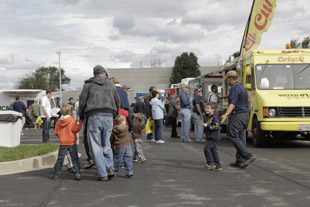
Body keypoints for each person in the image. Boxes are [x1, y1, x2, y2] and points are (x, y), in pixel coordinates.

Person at [79, 65, 121, 181]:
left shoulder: (88, 85)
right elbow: (118, 101)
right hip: (109, 116)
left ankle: (102, 173)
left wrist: (81, 115)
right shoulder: (111, 84)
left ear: (94, 74)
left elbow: (82, 101)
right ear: (105, 73)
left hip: (94, 116)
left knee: (95, 145)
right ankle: (110, 167)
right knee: (106, 143)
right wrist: (116, 114)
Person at [221, 70, 255, 169]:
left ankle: (248, 156)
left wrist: (226, 114)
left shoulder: (234, 88)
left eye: (227, 79)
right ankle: (240, 160)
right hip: (245, 115)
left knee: (232, 135)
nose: (227, 81)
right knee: (241, 138)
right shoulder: (242, 88)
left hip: (238, 115)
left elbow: (232, 103)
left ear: (231, 78)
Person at [51, 104, 83, 180]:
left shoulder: (59, 121)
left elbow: (56, 132)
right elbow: (75, 130)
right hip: (71, 142)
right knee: (74, 158)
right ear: (69, 112)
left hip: (63, 142)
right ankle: (77, 173)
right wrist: (80, 123)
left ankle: (55, 174)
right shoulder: (72, 120)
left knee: (60, 159)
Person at [203, 102, 222, 171]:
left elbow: (216, 126)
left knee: (206, 149)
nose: (206, 109)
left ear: (213, 109)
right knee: (214, 151)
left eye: (208, 108)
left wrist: (207, 126)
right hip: (211, 136)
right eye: (206, 108)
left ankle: (210, 163)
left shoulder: (214, 117)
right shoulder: (209, 117)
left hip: (213, 137)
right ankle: (218, 165)